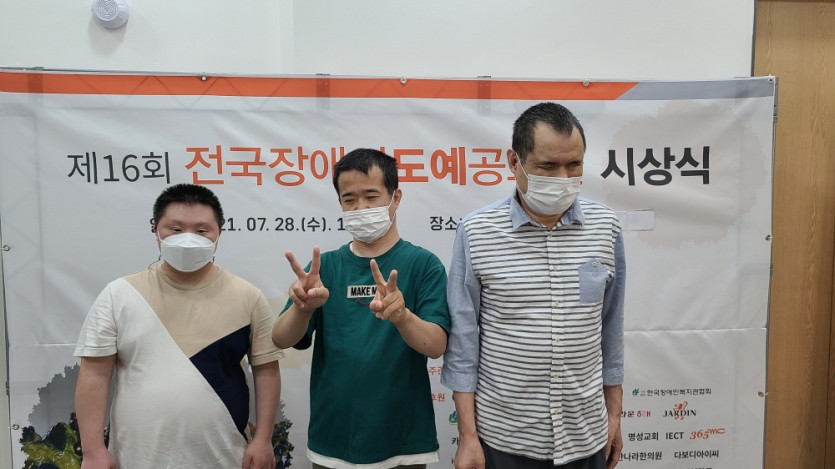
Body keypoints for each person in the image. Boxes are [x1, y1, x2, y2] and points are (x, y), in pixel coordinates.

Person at [441, 102, 626, 469]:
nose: (563, 177)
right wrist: (468, 436)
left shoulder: (606, 227)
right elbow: (463, 340)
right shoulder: (477, 232)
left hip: (585, 435)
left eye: (574, 165)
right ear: (514, 161)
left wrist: (614, 416)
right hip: (505, 437)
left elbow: (611, 329)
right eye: (547, 166)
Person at [74, 183, 281, 469]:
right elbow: (95, 373)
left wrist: (264, 438)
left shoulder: (248, 296)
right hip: (139, 456)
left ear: (219, 233)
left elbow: (266, 369)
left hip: (225, 454)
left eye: (201, 230)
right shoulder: (119, 294)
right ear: (155, 230)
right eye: (175, 229)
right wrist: (93, 450)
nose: (188, 239)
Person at [272, 148, 450, 469]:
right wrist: (302, 308)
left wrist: (402, 316)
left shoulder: (424, 264)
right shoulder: (325, 267)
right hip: (333, 438)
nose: (360, 208)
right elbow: (281, 339)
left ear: (395, 198)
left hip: (404, 440)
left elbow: (436, 346)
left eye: (371, 196)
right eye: (349, 199)